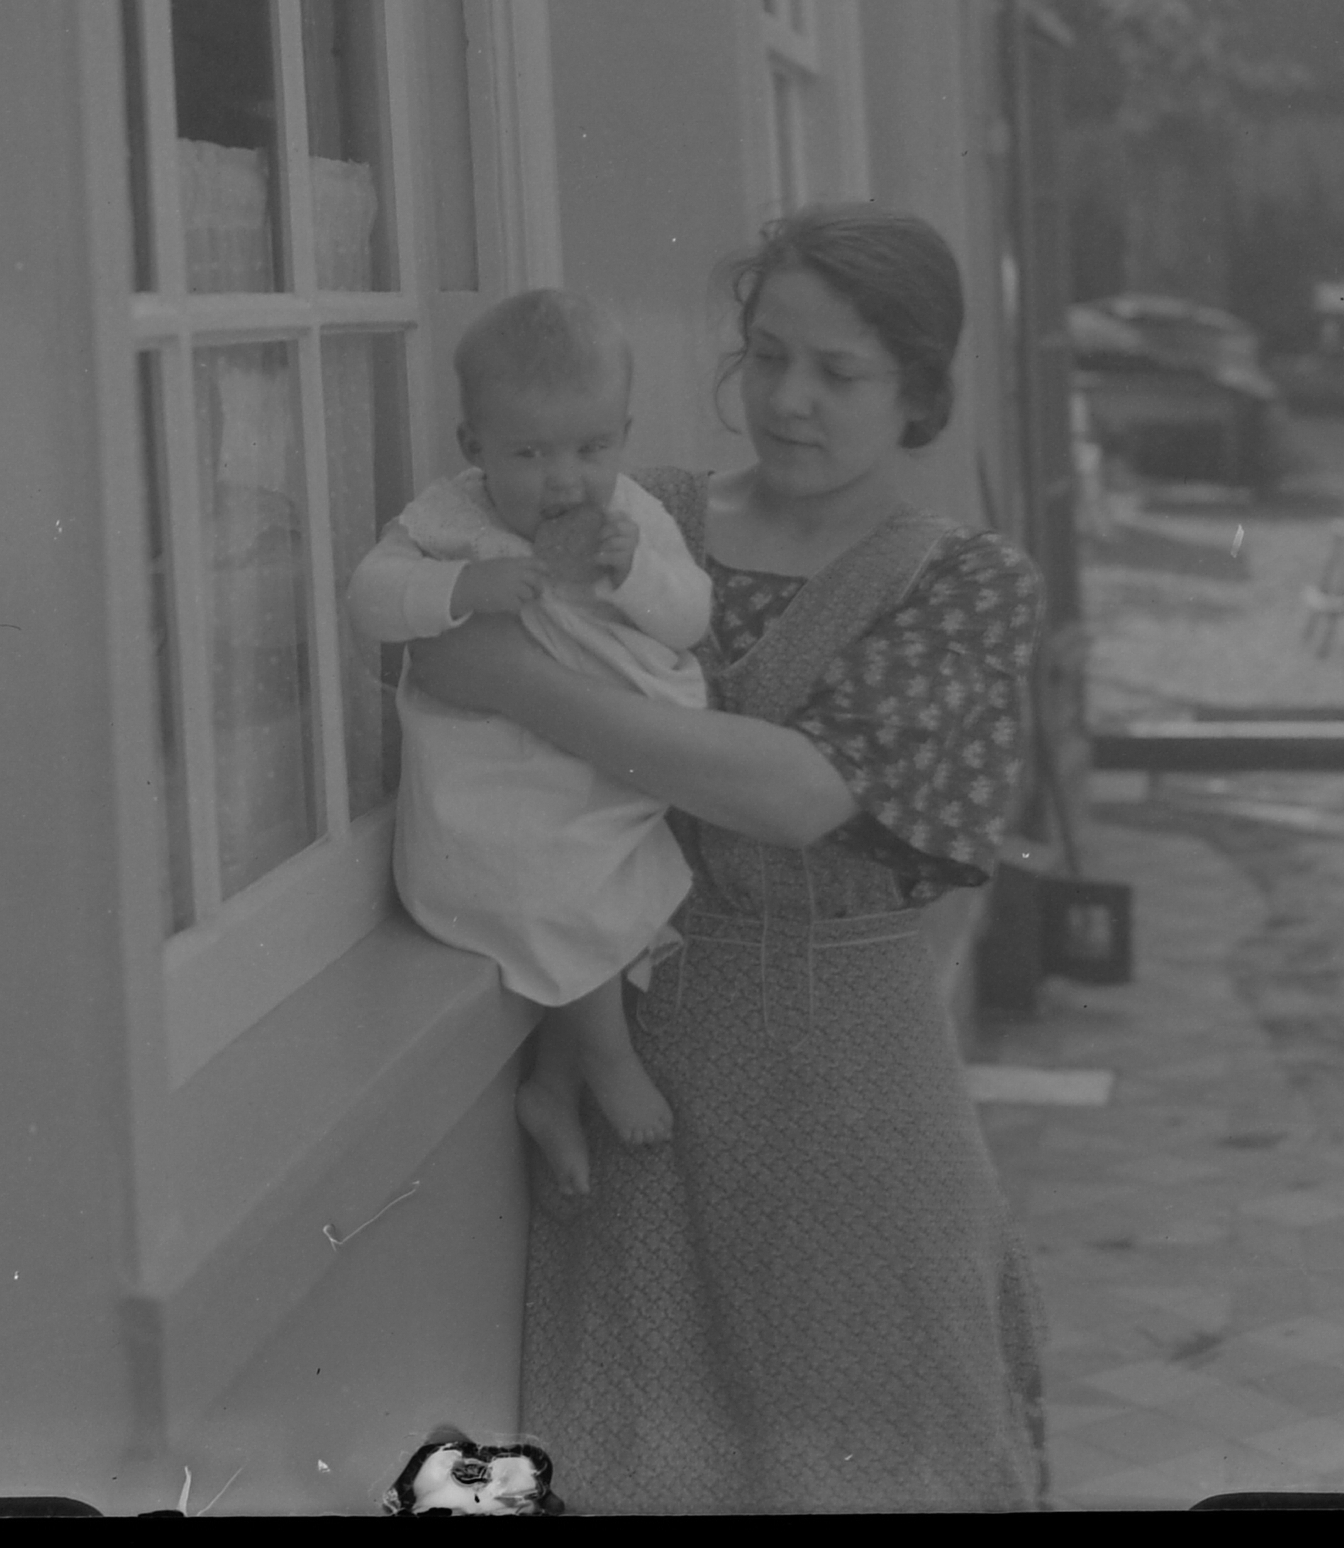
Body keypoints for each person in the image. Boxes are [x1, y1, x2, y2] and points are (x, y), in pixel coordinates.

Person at [397, 206, 1050, 1516]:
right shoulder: (640, 516)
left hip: (850, 1094)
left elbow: (795, 794)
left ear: (918, 391)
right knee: (646, 1461)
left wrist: (516, 681)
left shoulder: (961, 581)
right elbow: (438, 610)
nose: (788, 399)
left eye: (838, 371)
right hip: (631, 1069)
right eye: (767, 355)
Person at [350, 289, 711, 1198]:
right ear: (473, 446)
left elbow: (691, 616)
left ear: (623, 436)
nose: (564, 483)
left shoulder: (631, 517)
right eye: (529, 454)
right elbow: (370, 595)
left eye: (591, 449)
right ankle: (607, 1058)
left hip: (588, 769)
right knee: (561, 882)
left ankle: (550, 1086)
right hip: (492, 782)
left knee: (600, 885)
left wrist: (635, 574)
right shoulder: (448, 519)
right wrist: (461, 588)